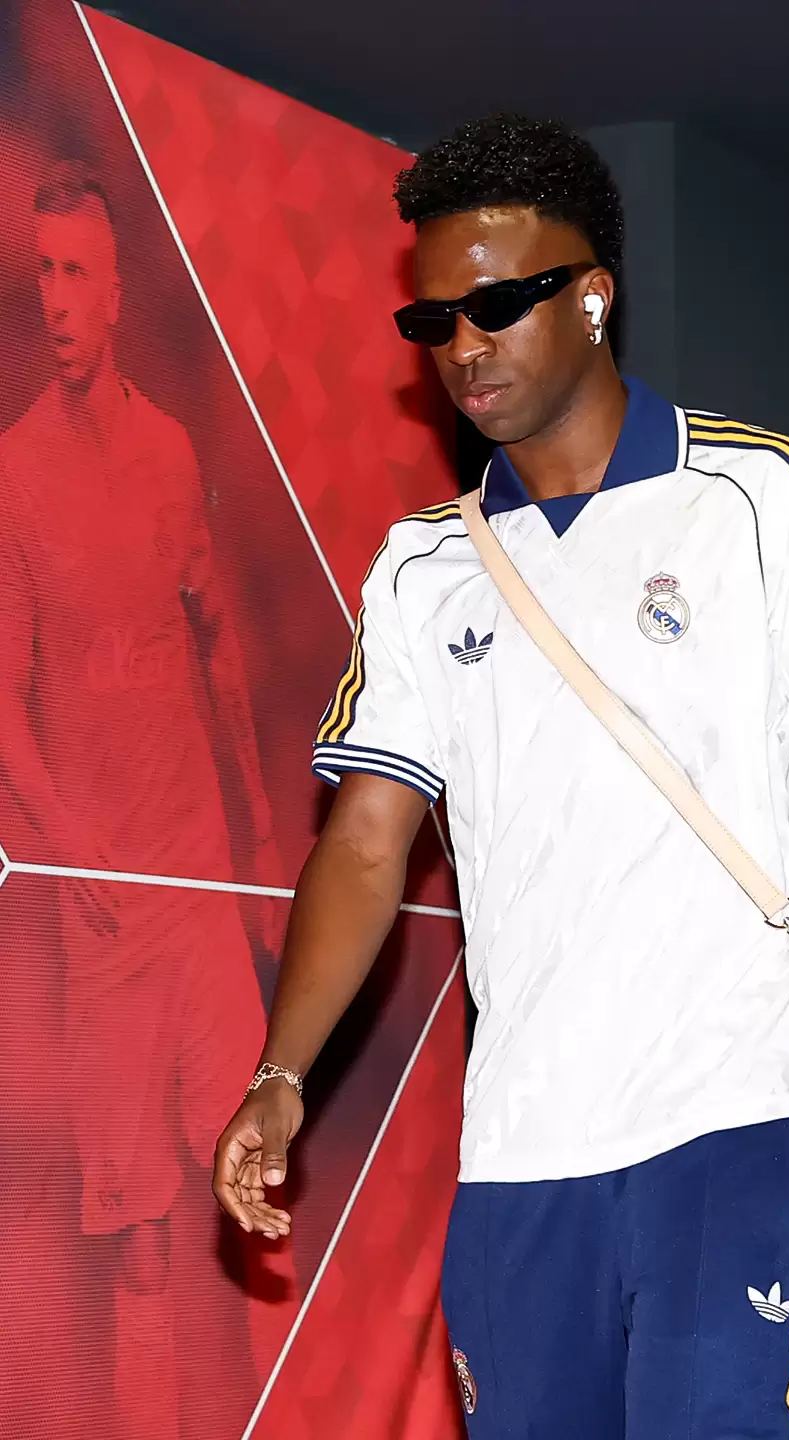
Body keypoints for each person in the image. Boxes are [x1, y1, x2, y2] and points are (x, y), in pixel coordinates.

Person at [214, 115, 789, 1439]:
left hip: (728, 1119)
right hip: (519, 1151)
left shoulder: (750, 495)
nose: (463, 346)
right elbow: (367, 845)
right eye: (433, 321)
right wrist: (281, 1074)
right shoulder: (422, 569)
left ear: (594, 296)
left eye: (496, 307)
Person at [0, 160, 284, 1439]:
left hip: (197, 888)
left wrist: (258, 843)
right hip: (103, 913)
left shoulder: (170, 450)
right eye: (42, 273)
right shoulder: (13, 474)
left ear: (116, 294)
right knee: (144, 1244)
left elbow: (216, 648)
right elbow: (3, 706)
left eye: (77, 273)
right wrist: (71, 852)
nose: (57, 298)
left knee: (250, 1199)